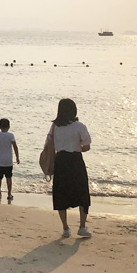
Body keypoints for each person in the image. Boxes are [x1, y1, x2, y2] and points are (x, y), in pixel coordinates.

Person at [47, 98, 92, 238]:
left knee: (61, 193)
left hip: (60, 160)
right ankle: (82, 226)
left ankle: (65, 228)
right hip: (75, 160)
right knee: (82, 192)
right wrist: (77, 146)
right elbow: (87, 146)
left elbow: (49, 144)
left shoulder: (55, 126)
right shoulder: (79, 126)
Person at [0, 118, 20, 202]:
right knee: (9, 177)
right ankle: (9, 194)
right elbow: (15, 147)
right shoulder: (11, 135)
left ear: (0, 126)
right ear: (9, 127)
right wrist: (17, 157)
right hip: (8, 161)